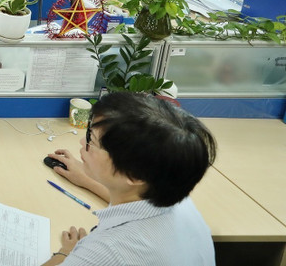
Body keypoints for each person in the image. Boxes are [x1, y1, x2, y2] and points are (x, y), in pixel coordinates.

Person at [43, 92, 216, 266]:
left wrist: (66, 253)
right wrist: (87, 179)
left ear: (134, 174)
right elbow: (134, 202)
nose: (82, 142)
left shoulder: (110, 251)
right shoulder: (172, 189)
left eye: (91, 139)